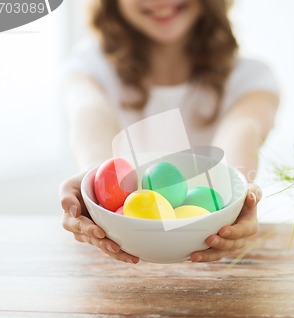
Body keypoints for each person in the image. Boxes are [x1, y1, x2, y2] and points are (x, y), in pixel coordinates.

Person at [59, 0, 279, 264]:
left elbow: (243, 129)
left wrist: (236, 195)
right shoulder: (89, 67)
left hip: (217, 258)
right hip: (115, 259)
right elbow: (90, 115)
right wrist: (96, 179)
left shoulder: (251, 77)